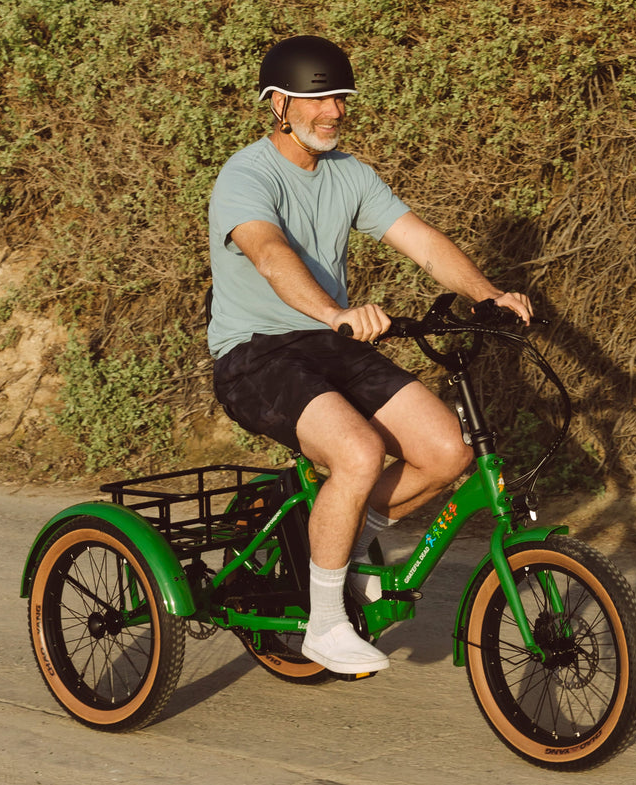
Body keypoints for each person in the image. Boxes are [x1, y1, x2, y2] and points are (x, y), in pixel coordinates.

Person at [207, 35, 533, 675]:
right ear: (278, 105)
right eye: (315, 100)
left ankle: (343, 552)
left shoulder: (350, 175)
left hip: (330, 344)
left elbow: (423, 241)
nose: (331, 111)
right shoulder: (245, 176)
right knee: (357, 453)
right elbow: (270, 254)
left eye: (338, 99)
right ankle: (324, 624)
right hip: (255, 355)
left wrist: (487, 293)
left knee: (448, 452)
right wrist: (333, 311)